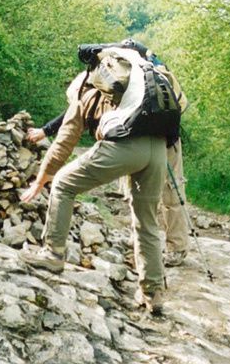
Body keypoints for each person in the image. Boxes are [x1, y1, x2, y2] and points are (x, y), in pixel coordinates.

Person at [20, 46, 168, 315]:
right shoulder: (131, 83)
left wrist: (41, 181)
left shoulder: (83, 91)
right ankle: (153, 293)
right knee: (146, 221)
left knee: (63, 184)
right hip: (158, 149)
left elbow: (63, 143)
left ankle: (52, 254)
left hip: (125, 146)